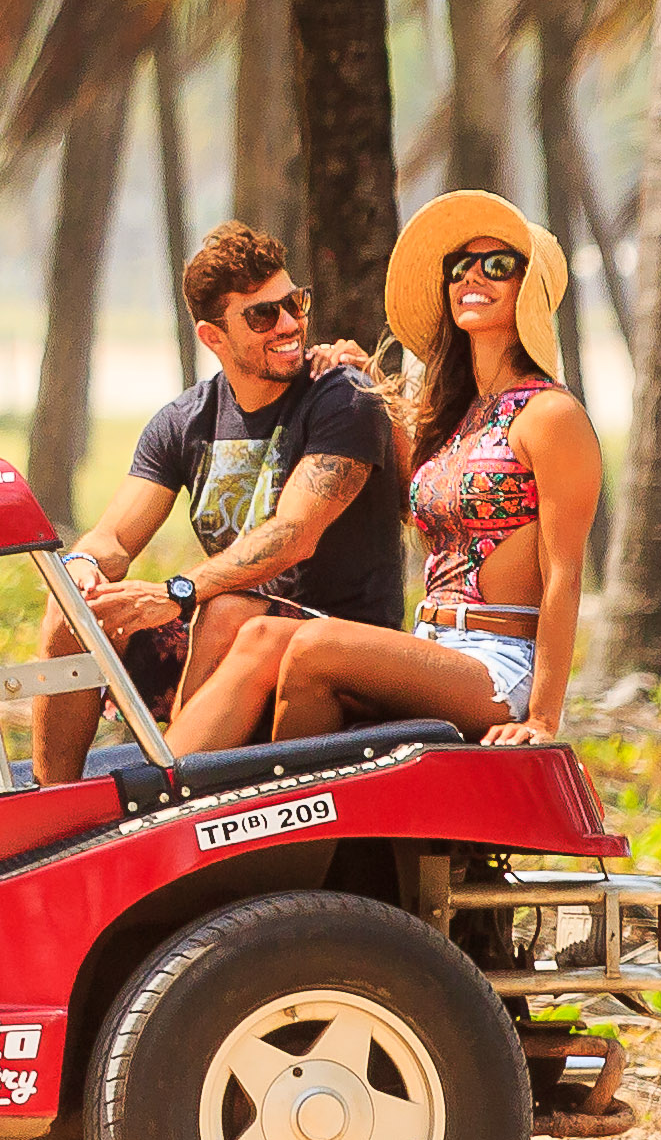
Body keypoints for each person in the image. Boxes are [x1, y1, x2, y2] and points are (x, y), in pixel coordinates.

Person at [25, 219, 407, 783]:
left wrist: (179, 592)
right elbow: (113, 537)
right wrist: (82, 572)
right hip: (225, 632)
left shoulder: (341, 398)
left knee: (228, 610)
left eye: (294, 304)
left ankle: (167, 796)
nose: (290, 325)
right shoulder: (185, 421)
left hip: (339, 640)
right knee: (75, 615)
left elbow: (295, 534)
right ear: (213, 337)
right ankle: (50, 809)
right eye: (262, 314)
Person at [256, 191, 598, 748]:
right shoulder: (459, 418)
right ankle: (177, 799)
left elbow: (565, 574)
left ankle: (255, 820)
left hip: (498, 664)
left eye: (497, 266)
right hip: (433, 644)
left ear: (527, 290)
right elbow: (429, 498)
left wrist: (541, 719)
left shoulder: (551, 415)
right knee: (263, 638)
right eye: (459, 267)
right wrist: (364, 376)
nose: (472, 277)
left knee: (313, 648)